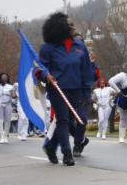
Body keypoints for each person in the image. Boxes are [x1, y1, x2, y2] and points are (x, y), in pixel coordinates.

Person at [36, 12, 94, 166]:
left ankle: (50, 146)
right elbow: (39, 69)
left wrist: (87, 92)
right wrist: (45, 75)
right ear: (61, 28)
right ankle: (67, 153)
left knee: (76, 121)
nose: (74, 27)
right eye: (71, 25)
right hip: (57, 89)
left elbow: (86, 71)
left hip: (77, 90)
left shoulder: (80, 46)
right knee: (62, 120)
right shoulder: (47, 48)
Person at [0, 73, 14, 144]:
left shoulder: (10, 86)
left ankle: (6, 136)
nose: (4, 78)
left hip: (8, 105)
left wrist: (12, 92)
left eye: (6, 77)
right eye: (3, 77)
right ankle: (1, 137)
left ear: (7, 78)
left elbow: (14, 96)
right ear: (0, 78)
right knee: (0, 121)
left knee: (7, 121)